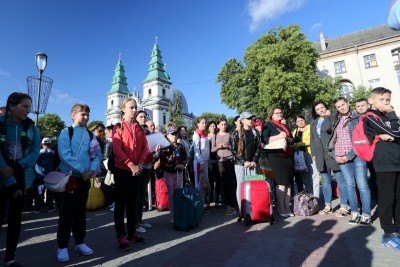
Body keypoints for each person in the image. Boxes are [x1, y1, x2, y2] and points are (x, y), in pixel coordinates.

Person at [55, 103, 102, 263]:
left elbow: (97, 155)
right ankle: (62, 246)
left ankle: (80, 242)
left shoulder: (91, 135)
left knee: (80, 213)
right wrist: (83, 169)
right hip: (69, 178)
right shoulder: (65, 132)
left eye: (88, 114)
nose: (86, 117)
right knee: (66, 214)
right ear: (73, 115)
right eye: (83, 114)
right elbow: (65, 155)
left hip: (84, 179)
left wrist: (92, 170)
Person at [0, 92, 41, 267]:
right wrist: (7, 175)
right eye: (24, 106)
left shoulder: (32, 128)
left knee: (15, 219)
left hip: (21, 176)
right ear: (11, 106)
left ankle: (10, 258)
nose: (28, 110)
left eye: (30, 107)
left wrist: (19, 166)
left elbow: (35, 152)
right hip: (2, 174)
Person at [363, 87, 400, 249]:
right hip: (384, 163)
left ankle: (398, 229)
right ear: (371, 100)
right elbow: (398, 133)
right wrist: (392, 115)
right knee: (387, 198)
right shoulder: (370, 117)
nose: (386, 103)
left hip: (397, 160)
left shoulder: (388, 117)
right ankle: (388, 232)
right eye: (382, 100)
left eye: (388, 100)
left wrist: (393, 133)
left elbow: (396, 134)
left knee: (399, 198)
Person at [112, 99, 149, 251]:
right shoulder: (118, 127)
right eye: (131, 107)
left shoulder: (139, 128)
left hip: (137, 169)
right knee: (121, 204)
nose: (134, 110)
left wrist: (139, 163)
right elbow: (117, 149)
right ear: (123, 110)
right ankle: (121, 235)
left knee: (133, 202)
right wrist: (130, 164)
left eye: (135, 107)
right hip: (122, 169)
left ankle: (132, 232)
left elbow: (146, 147)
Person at [331, 97, 371, 226]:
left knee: (362, 185)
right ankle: (355, 212)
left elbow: (362, 140)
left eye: (343, 104)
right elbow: (331, 140)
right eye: (338, 107)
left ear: (348, 103)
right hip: (341, 157)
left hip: (357, 155)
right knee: (349, 185)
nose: (342, 107)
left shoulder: (358, 118)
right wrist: (334, 155)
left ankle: (366, 214)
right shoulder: (336, 120)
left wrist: (349, 155)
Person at [310, 101, 348, 217]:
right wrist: (314, 154)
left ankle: (343, 206)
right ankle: (328, 206)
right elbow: (312, 140)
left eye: (322, 107)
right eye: (318, 109)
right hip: (320, 156)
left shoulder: (333, 118)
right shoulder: (313, 123)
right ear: (315, 112)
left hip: (333, 154)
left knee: (340, 180)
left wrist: (327, 116)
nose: (321, 110)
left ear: (326, 108)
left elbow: (328, 129)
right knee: (325, 181)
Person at [262, 107, 294, 217]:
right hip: (276, 156)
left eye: (281, 112)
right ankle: (281, 207)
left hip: (288, 156)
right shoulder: (268, 125)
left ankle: (287, 207)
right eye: (277, 113)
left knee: (289, 183)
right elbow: (264, 139)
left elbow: (291, 138)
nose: (280, 114)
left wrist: (289, 140)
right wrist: (278, 136)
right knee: (281, 182)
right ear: (272, 115)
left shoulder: (284, 125)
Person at [154, 126, 187, 223]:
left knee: (179, 194)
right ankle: (172, 216)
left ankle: (179, 214)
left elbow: (185, 159)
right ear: (167, 135)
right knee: (171, 195)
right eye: (172, 134)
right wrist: (157, 152)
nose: (174, 136)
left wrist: (183, 165)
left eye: (176, 134)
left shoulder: (180, 146)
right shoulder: (163, 146)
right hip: (168, 173)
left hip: (179, 173)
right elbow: (157, 158)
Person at [231, 112, 261, 215]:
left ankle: (253, 210)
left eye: (251, 118)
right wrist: (245, 161)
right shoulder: (236, 133)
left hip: (253, 164)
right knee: (241, 186)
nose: (250, 120)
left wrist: (254, 160)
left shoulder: (255, 132)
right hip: (240, 165)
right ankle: (242, 211)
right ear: (242, 120)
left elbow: (258, 147)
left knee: (253, 186)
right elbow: (234, 150)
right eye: (248, 118)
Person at [212, 118, 237, 215]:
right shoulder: (215, 136)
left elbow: (234, 147)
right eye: (221, 124)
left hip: (229, 160)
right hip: (220, 161)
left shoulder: (230, 134)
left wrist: (228, 146)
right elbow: (212, 149)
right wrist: (218, 147)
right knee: (223, 183)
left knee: (230, 183)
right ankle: (228, 204)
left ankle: (232, 205)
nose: (223, 126)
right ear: (218, 125)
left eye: (225, 124)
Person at [134, 110, 152, 233]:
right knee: (136, 195)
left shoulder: (146, 132)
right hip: (138, 165)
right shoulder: (135, 130)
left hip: (147, 165)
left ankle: (139, 219)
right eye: (141, 117)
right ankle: (134, 223)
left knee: (141, 194)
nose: (143, 118)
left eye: (145, 117)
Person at [34, 137, 56, 213]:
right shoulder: (53, 153)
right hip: (50, 174)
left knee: (39, 190)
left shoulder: (37, 153)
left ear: (42, 144)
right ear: (50, 144)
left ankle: (37, 208)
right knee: (50, 190)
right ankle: (50, 206)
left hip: (39, 174)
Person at [192, 117, 211, 212]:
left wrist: (208, 162)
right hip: (200, 162)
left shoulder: (204, 135)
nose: (204, 124)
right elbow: (196, 150)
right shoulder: (196, 135)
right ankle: (198, 206)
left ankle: (202, 204)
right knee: (199, 184)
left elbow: (207, 149)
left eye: (205, 123)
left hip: (205, 161)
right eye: (202, 123)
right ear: (198, 124)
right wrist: (201, 162)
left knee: (204, 184)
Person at [292, 115, 313, 194]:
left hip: (310, 154)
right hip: (300, 156)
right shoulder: (295, 131)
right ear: (296, 123)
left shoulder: (310, 127)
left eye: (301, 120)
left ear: (304, 120)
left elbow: (313, 140)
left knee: (313, 176)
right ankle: (309, 195)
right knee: (305, 177)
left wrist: (301, 144)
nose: (300, 122)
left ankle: (315, 197)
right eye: (298, 121)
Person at [206, 121, 222, 209]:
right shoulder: (206, 137)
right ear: (208, 127)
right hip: (209, 162)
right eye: (211, 126)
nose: (213, 127)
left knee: (218, 182)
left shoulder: (218, 136)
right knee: (210, 183)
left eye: (214, 126)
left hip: (218, 161)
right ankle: (208, 201)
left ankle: (217, 201)